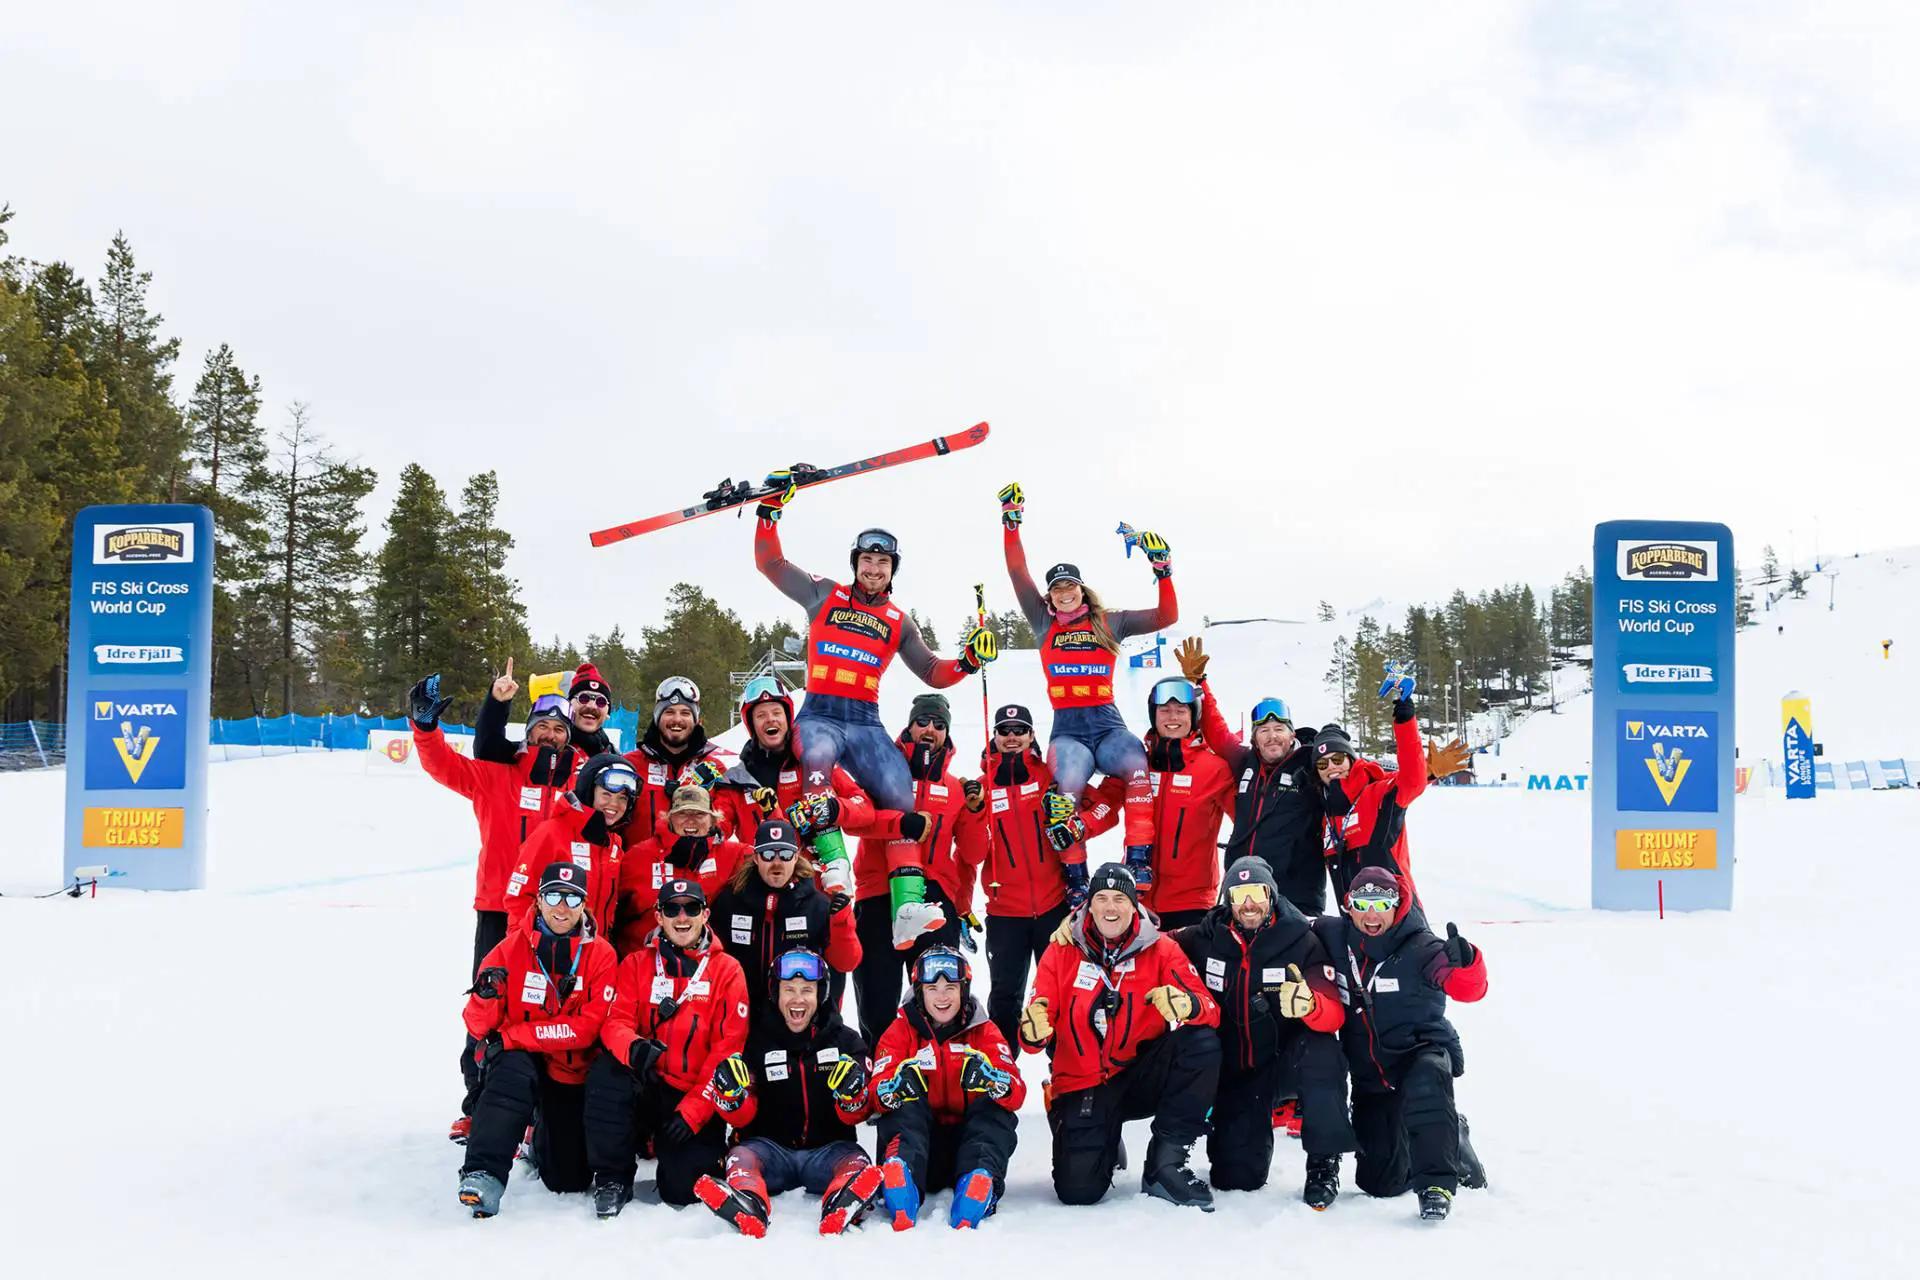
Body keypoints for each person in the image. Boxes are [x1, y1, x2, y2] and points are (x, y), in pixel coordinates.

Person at [752, 475, 995, 915]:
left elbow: (931, 671)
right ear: (856, 563)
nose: (874, 569)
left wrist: (967, 661)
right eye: (867, 560)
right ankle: (834, 867)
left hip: (865, 719)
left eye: (883, 563)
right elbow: (771, 564)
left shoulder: (899, 621)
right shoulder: (824, 594)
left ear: (892, 570)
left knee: (899, 790)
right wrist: (769, 513)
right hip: (821, 712)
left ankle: (908, 908)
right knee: (816, 761)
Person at [408, 668, 583, 1142]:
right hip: (498, 911)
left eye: (559, 729)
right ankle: (479, 1103)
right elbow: (443, 765)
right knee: (489, 1002)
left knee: (549, 1010)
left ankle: (539, 1110)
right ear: (528, 734)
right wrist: (425, 726)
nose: (550, 735)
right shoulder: (497, 776)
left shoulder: (577, 790)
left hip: (559, 917)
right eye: (542, 727)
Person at [998, 482, 1176, 879]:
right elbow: (1017, 571)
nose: (1064, 594)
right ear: (1049, 596)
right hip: (1069, 730)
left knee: (1137, 767)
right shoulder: (1043, 622)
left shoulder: (1111, 622)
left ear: (1082, 589)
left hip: (1107, 724)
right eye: (1057, 589)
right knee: (1065, 793)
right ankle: (1076, 880)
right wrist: (1011, 522)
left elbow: (1167, 616)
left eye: (1070, 586)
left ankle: (1138, 860)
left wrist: (1162, 570)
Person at [1021, 864, 1220, 1209]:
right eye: (1101, 898)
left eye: (1119, 899)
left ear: (1134, 906)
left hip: (1139, 1074)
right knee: (1078, 1191)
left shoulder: (1161, 949)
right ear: (1089, 905)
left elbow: (1210, 1010)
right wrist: (1032, 1031)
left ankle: (1166, 1164)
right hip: (1084, 1081)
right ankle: (1089, 1127)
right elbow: (1034, 1027)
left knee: (1201, 1043)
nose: (1110, 907)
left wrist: (1188, 1005)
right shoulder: (1061, 949)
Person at [1169, 857, 1353, 1207]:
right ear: (1228, 900)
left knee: (1323, 1051)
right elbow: (1153, 943)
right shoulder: (1206, 936)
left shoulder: (1302, 940)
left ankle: (1323, 1163)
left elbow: (1333, 1012)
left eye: (1256, 893)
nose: (1249, 904)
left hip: (1284, 1063)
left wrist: (1311, 1005)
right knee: (1236, 1178)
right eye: (1239, 895)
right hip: (1237, 1072)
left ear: (1271, 895)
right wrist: (1080, 924)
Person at [1312, 867, 1489, 1221]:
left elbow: (1469, 989)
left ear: (1397, 905)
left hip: (1418, 1052)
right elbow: (1288, 921)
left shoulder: (1422, 947)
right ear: (1348, 906)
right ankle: (1441, 1133)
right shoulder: (1333, 935)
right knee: (1380, 1182)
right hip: (1372, 1076)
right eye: (1362, 904)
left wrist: (1468, 962)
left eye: (1381, 904)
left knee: (1426, 1082)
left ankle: (1437, 1184)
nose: (1371, 914)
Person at [456, 861, 619, 1218]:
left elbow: (587, 1028)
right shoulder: (507, 950)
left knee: (568, 1179)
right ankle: (483, 1174)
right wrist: (485, 997)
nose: (562, 908)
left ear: (584, 905)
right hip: (523, 1062)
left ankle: (535, 1135)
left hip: (568, 1070)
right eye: (554, 896)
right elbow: (477, 1027)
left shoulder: (602, 954)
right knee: (510, 1070)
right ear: (539, 900)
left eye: (573, 899)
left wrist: (514, 1036)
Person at [583, 876, 750, 1218]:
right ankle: (613, 1179)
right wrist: (633, 1048)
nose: (682, 917)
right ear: (659, 916)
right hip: (646, 1083)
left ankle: (684, 1151)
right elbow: (614, 1022)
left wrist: (693, 1112)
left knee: (682, 1189)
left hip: (691, 1094)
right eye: (672, 909)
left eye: (691, 908)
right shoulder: (635, 964)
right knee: (607, 1072)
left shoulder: (728, 971)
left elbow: (727, 1052)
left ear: (705, 914)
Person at [692, 948, 885, 1237]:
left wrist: (852, 1097)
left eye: (807, 990)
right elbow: (743, 1116)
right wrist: (731, 1098)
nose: (798, 999)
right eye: (789, 990)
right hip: (768, 1151)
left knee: (857, 1161)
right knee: (740, 1156)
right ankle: (748, 1202)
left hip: (829, 1151)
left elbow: (858, 1114)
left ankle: (841, 1203)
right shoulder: (755, 1041)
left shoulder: (847, 1041)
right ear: (775, 993)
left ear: (821, 994)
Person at [960, 701, 1119, 1043]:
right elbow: (972, 855)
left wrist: (1078, 825)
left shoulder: (1052, 777)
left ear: (1032, 735)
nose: (1012, 737)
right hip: (1005, 915)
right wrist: (973, 813)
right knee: (1005, 1000)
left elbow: (1107, 811)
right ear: (994, 736)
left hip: (1055, 910)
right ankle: (1002, 1069)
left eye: (1020, 730)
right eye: (1004, 731)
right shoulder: (981, 788)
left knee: (1063, 996)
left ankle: (1064, 1071)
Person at [850, 693, 987, 1042]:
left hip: (935, 901)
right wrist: (900, 825)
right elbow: (856, 823)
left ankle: (934, 1067)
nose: (930, 729)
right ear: (910, 726)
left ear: (947, 733)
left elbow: (973, 853)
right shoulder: (880, 773)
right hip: (878, 895)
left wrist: (975, 811)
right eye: (922, 721)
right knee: (876, 1000)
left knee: (937, 1002)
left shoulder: (955, 788)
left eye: (939, 725)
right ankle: (877, 1066)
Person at [1171, 636, 1331, 916]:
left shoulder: (1310, 765)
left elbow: (1349, 774)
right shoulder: (1246, 762)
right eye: (1264, 731)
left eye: (1279, 729)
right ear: (1255, 738)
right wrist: (1199, 683)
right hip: (1244, 888)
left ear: (1292, 734)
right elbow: (1217, 732)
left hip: (1296, 894)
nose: (1272, 736)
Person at [869, 946, 1024, 1230]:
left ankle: (977, 1185)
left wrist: (994, 1082)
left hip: (967, 1149)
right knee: (904, 1104)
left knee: (994, 1109)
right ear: (920, 992)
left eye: (950, 988)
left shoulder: (984, 1031)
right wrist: (894, 1088)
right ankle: (900, 1185)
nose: (942, 997)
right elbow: (876, 1093)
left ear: (964, 990)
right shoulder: (900, 1031)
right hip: (921, 1152)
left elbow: (1016, 1091)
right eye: (933, 989)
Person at [1084, 676, 1236, 929]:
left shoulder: (1215, 769)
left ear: (1194, 715)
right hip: (1137, 898)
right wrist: (1077, 816)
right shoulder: (1135, 763)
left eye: (1181, 710)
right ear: (1153, 715)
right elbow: (1104, 806)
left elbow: (1246, 821)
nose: (1172, 717)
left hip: (1192, 903)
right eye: (1164, 710)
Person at [712, 674, 894, 874]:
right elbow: (716, 829)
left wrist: (833, 808)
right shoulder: (737, 780)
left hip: (815, 883)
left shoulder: (816, 764)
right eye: (761, 715)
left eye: (777, 712)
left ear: (787, 718)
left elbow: (864, 808)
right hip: (761, 884)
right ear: (751, 725)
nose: (770, 719)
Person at [1315, 663, 1466, 905]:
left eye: (1338, 759)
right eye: (1322, 764)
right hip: (1355, 917)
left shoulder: (1378, 794)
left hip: (1398, 915)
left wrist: (1405, 721)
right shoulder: (1325, 817)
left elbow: (1411, 782)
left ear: (1351, 760)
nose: (1331, 767)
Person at [711, 818, 862, 1010]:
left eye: (785, 854)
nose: (777, 863)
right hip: (743, 1012)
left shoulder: (817, 905)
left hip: (798, 1014)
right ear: (756, 858)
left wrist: (842, 923)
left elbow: (846, 963)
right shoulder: (729, 901)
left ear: (796, 856)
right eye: (768, 855)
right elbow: (712, 960)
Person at [504, 753, 635, 936]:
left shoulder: (614, 844)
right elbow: (519, 899)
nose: (614, 804)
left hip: (594, 948)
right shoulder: (551, 833)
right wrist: (526, 943)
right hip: (551, 946)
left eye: (623, 798)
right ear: (589, 791)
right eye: (606, 794)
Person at [613, 784, 749, 954]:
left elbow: (773, 858)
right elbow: (612, 909)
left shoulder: (735, 855)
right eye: (682, 813)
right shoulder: (639, 856)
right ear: (669, 818)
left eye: (699, 814)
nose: (691, 820)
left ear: (713, 820)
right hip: (644, 961)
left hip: (706, 962)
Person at [622, 674, 735, 837]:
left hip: (695, 853)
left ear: (696, 720)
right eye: (669, 712)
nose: (677, 719)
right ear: (657, 718)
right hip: (641, 853)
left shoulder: (715, 769)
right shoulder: (630, 765)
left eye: (685, 713)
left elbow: (725, 823)